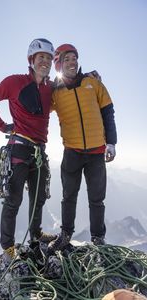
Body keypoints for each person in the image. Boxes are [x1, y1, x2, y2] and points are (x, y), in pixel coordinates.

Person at [0, 38, 57, 263]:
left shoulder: (50, 88)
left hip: (39, 151)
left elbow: (71, 85)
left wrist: (89, 76)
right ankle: (8, 248)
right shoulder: (14, 82)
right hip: (19, 150)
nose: (45, 61)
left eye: (49, 58)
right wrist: (2, 126)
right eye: (41, 57)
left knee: (38, 197)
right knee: (13, 200)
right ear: (31, 60)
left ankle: (35, 235)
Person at [48, 44, 117, 253]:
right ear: (59, 64)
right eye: (67, 59)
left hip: (97, 151)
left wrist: (112, 142)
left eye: (74, 58)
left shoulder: (93, 83)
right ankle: (66, 234)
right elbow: (40, 108)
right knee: (69, 195)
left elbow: (108, 112)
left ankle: (98, 238)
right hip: (72, 151)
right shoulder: (55, 92)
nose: (72, 62)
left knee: (97, 198)